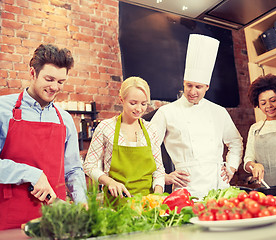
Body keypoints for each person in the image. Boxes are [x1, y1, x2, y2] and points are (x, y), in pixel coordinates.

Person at [0, 44, 87, 230]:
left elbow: (73, 170)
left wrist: (82, 202)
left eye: (61, 82)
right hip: (9, 216)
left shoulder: (65, 120)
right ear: (33, 73)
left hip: (55, 218)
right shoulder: (2, 110)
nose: (55, 87)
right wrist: (31, 174)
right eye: (49, 79)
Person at [150, 34, 243, 198]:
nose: (193, 92)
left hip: (218, 186)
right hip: (187, 188)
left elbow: (235, 142)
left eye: (198, 87)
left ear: (207, 86)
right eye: (189, 85)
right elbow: (150, 147)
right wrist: (163, 176)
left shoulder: (219, 112)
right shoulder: (166, 112)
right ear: (183, 83)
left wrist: (231, 167)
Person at [83, 77, 165, 201]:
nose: (139, 109)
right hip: (116, 203)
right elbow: (89, 165)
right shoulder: (106, 127)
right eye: (133, 103)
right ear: (122, 99)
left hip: (147, 205)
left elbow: (159, 170)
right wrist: (109, 182)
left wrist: (157, 196)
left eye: (143, 104)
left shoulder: (151, 129)